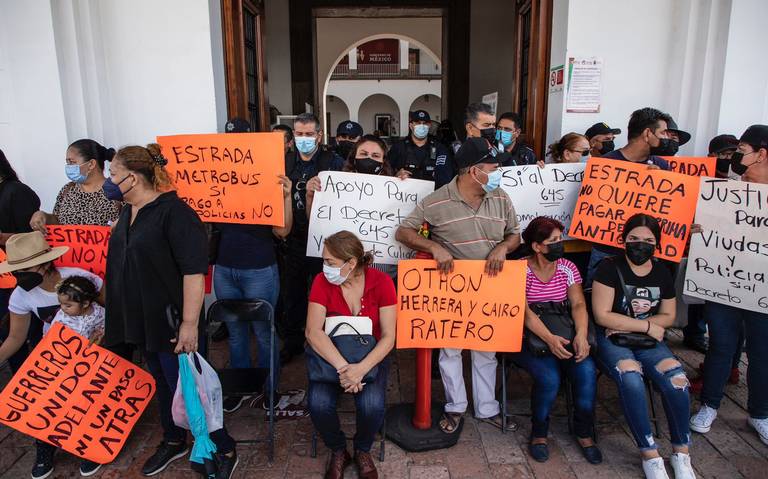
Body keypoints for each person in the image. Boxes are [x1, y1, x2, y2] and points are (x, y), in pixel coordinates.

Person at [101, 144, 238, 478]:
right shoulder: (126, 211)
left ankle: (223, 447)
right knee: (162, 382)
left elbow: (194, 272)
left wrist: (190, 324)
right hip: (141, 318)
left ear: (132, 178)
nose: (109, 181)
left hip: (172, 320)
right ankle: (174, 439)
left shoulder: (175, 214)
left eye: (114, 175)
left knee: (189, 385)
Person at [396, 137, 521, 434]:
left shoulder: (501, 196)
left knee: (486, 350)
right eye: (494, 166)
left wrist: (503, 248)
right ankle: (455, 407)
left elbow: (515, 234)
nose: (499, 171)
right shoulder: (437, 200)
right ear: (473, 170)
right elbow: (404, 231)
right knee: (450, 350)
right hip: (452, 290)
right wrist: (434, 247)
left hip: (491, 286)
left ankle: (487, 407)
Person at [591, 214, 694, 479]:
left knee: (677, 380)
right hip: (613, 339)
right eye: (634, 239)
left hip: (646, 341)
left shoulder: (661, 271)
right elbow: (603, 316)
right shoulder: (609, 267)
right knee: (631, 377)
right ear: (623, 240)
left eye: (648, 240)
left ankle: (681, 452)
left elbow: (669, 316)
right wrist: (648, 325)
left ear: (657, 243)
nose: (640, 245)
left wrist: (626, 323)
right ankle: (649, 453)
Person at [0, 231, 105, 478]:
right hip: (56, 355)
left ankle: (87, 444)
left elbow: (110, 309)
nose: (20, 277)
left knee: (86, 397)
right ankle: (44, 447)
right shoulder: (20, 295)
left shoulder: (78, 278)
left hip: (95, 348)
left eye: (27, 269)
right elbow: (16, 337)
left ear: (46, 262)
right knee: (40, 396)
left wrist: (102, 345)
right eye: (17, 271)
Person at [689, 125, 768, 447]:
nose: (737, 157)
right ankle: (710, 405)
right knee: (721, 345)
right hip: (723, 282)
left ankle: (760, 413)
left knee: (763, 353)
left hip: (762, 289)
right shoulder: (725, 191)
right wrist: (697, 229)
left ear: (762, 153)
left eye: (743, 149)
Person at [212, 118, 295, 413]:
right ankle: (241, 385)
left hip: (259, 268)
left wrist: (285, 197)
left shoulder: (268, 175)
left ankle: (270, 388)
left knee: (263, 331)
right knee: (235, 331)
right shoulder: (216, 175)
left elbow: (282, 231)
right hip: (224, 267)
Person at [305, 231, 396, 479]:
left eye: (331, 263)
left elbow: (389, 336)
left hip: (370, 357)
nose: (325, 268)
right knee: (318, 404)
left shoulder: (382, 282)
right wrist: (346, 369)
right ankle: (338, 450)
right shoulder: (321, 282)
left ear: (352, 263)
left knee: (372, 406)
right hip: (330, 356)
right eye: (324, 261)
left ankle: (362, 449)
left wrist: (361, 369)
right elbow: (313, 331)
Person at [515, 217, 601, 465]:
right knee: (549, 378)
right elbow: (525, 313)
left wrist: (582, 336)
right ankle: (539, 433)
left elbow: (578, 304)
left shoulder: (567, 268)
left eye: (560, 239)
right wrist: (550, 340)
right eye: (553, 241)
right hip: (532, 339)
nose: (559, 245)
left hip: (566, 332)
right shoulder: (520, 269)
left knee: (585, 373)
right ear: (536, 246)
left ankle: (584, 432)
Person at [280, 113, 344, 364]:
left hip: (325, 241)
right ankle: (293, 341)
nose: (303, 139)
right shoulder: (283, 162)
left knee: (326, 290)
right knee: (292, 293)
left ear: (319, 135)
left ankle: (327, 340)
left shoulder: (333, 161)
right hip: (292, 238)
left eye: (308, 134)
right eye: (298, 134)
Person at [585, 108, 673, 285]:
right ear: (647, 133)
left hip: (646, 254)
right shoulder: (605, 165)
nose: (666, 138)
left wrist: (659, 184)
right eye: (663, 132)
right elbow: (591, 210)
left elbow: (670, 210)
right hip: (606, 251)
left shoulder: (662, 166)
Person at [307, 135, 400, 281]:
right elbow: (317, 222)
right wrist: (310, 196)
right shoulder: (334, 186)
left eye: (375, 156)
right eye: (363, 154)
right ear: (354, 157)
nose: (369, 159)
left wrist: (405, 185)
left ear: (383, 161)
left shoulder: (396, 189)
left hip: (382, 274)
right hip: (343, 273)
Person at [0, 149, 41, 372]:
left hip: (20, 275)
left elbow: (35, 237)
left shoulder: (16, 192)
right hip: (3, 278)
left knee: (20, 335)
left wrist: (3, 238)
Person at [29, 139, 121, 232]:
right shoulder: (68, 190)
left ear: (91, 164)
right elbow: (58, 220)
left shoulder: (118, 191)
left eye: (72, 162)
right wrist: (43, 216)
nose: (68, 167)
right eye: (67, 163)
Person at [387, 110, 453, 188]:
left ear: (429, 125)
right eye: (418, 123)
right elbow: (387, 171)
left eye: (425, 123)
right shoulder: (398, 147)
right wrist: (396, 176)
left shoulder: (439, 148)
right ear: (411, 125)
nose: (421, 126)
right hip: (404, 195)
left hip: (432, 195)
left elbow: (445, 178)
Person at [52, 275, 105, 342]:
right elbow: (52, 335)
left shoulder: (100, 313)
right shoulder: (61, 317)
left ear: (85, 304)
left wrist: (99, 335)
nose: (62, 308)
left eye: (68, 306)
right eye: (60, 303)